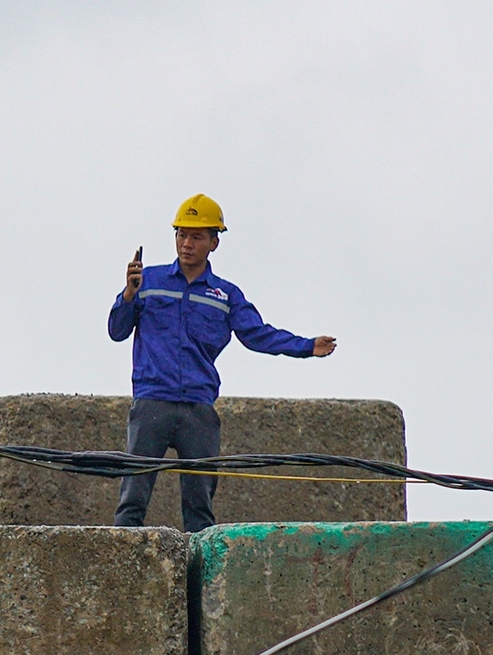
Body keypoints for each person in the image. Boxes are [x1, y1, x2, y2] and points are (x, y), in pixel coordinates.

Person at [107, 194, 337, 531]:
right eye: (181, 235)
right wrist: (128, 294)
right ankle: (122, 571)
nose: (187, 244)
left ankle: (200, 581)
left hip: (197, 408)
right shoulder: (147, 281)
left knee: (200, 505)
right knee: (133, 496)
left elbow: (257, 334)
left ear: (214, 242)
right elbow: (117, 331)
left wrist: (305, 346)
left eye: (197, 237)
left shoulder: (224, 294)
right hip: (152, 401)